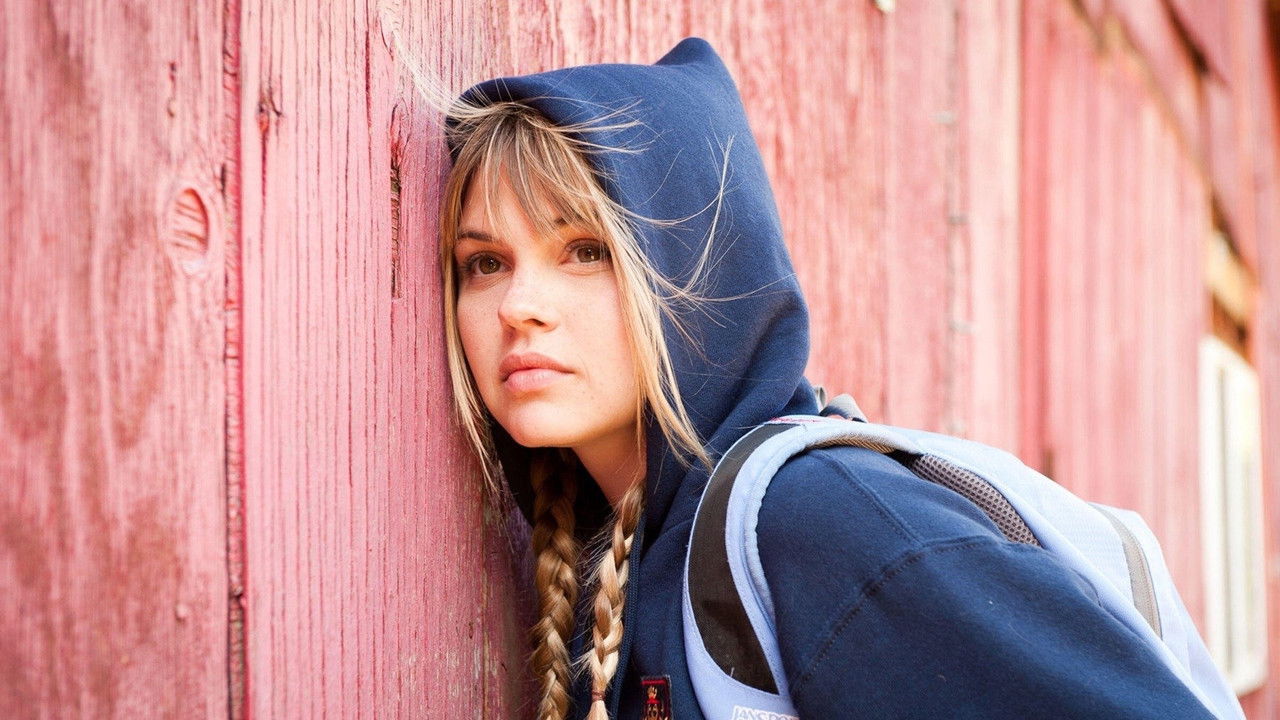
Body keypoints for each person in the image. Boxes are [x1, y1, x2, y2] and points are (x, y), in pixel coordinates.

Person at [435, 37, 1218, 720]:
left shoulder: (821, 524)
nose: (520, 307)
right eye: (486, 263)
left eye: (585, 250)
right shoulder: (609, 558)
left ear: (700, 276)